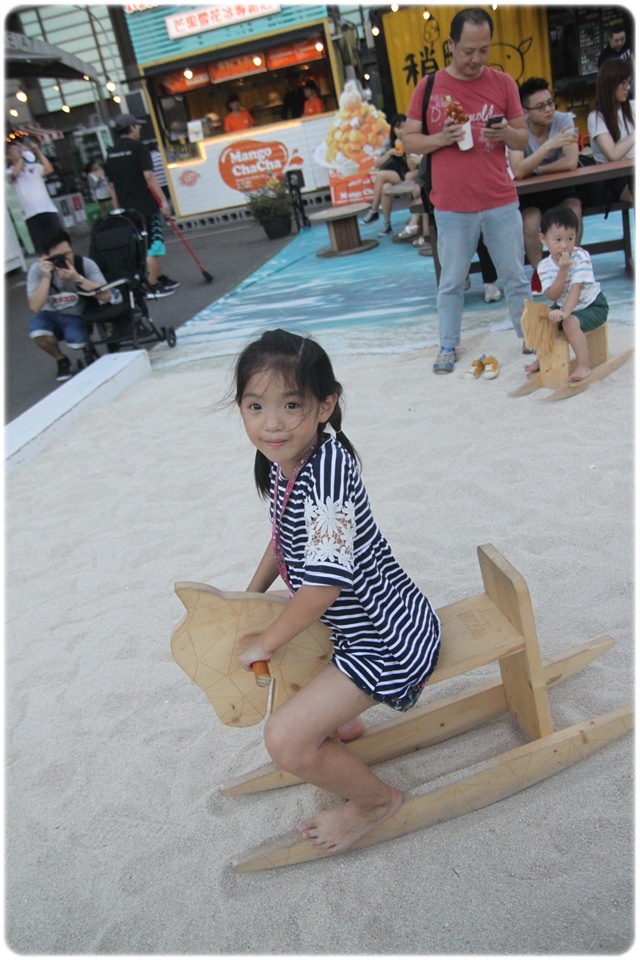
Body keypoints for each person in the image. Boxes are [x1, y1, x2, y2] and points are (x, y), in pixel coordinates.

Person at [233, 329, 441, 853]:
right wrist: (247, 601)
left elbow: (325, 584)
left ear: (325, 406)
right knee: (280, 629)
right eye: (256, 406)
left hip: (386, 639)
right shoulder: (289, 462)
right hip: (354, 626)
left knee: (284, 741)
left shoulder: (325, 481)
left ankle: (375, 803)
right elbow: (282, 539)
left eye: (291, 405)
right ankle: (340, 720)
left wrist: (265, 640)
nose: (272, 423)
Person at [403, 7, 531, 374]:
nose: (476, 59)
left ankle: (530, 336)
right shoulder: (429, 86)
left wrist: (506, 133)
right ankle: (447, 345)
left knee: (514, 275)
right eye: (468, 51)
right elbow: (409, 139)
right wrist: (440, 138)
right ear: (451, 45)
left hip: (499, 198)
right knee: (452, 280)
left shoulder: (503, 83)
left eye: (484, 50)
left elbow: (522, 137)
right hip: (452, 205)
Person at [508, 77, 581, 294]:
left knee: (573, 210)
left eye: (550, 103)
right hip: (530, 194)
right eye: (540, 107)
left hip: (561, 188)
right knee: (530, 221)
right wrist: (549, 146)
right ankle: (541, 272)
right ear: (525, 112)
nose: (549, 110)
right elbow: (518, 170)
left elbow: (571, 161)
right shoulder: (517, 129)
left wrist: (537, 169)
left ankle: (570, 268)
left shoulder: (564, 120)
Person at [524, 205, 608, 383]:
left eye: (570, 238)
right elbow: (553, 296)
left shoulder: (580, 256)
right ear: (543, 238)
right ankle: (543, 358)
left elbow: (576, 288)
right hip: (564, 304)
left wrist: (565, 313)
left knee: (569, 323)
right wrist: (563, 270)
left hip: (592, 305)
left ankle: (583, 365)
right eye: (558, 239)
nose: (564, 245)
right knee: (543, 319)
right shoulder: (544, 266)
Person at [105, 114, 179, 299]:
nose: (139, 129)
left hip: (126, 208)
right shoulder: (139, 148)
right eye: (137, 126)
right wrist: (163, 201)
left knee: (141, 243)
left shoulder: (111, 153)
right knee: (153, 244)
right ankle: (151, 284)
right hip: (145, 204)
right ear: (131, 127)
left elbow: (111, 185)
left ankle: (158, 276)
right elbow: (149, 176)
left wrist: (117, 210)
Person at [26, 228, 112, 381]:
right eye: (59, 257)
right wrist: (46, 278)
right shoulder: (37, 270)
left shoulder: (84, 264)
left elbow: (106, 295)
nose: (66, 260)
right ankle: (61, 359)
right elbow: (35, 306)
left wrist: (77, 278)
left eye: (68, 253)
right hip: (50, 314)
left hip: (76, 314)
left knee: (77, 341)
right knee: (37, 331)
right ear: (46, 258)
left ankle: (87, 351)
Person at [584, 58, 635, 207]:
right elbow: (613, 155)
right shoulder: (596, 117)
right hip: (616, 178)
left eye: (629, 83)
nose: (628, 88)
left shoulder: (633, 106)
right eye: (623, 83)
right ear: (610, 84)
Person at [360, 115, 418, 235]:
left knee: (381, 175)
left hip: (407, 173)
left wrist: (407, 150)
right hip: (395, 173)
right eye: (398, 128)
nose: (401, 131)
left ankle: (374, 210)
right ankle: (387, 224)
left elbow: (412, 168)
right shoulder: (389, 142)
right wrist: (390, 152)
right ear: (393, 129)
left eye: (404, 127)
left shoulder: (413, 140)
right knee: (385, 187)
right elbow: (377, 163)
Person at [6, 137, 62, 254]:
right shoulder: (8, 171)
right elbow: (14, 175)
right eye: (13, 150)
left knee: (59, 242)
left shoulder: (34, 166)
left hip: (47, 209)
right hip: (30, 214)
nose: (17, 151)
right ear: (8, 157)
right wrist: (22, 157)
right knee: (41, 247)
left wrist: (38, 152)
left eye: (18, 149)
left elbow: (49, 169)